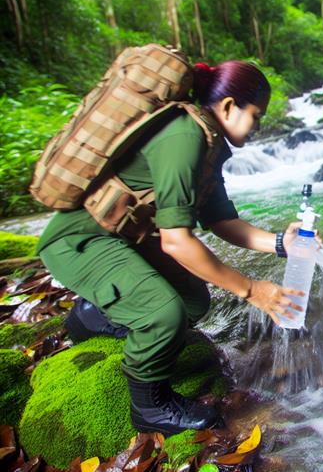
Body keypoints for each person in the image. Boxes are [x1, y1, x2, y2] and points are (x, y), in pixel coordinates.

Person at [36, 60, 305, 435]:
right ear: (229, 106)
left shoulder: (208, 143)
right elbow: (177, 242)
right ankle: (150, 406)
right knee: (165, 315)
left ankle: (90, 317)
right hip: (81, 241)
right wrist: (252, 290)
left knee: (193, 301)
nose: (258, 128)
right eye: (256, 116)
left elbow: (222, 222)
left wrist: (281, 244)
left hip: (121, 241)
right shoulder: (184, 137)